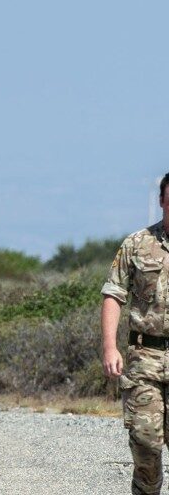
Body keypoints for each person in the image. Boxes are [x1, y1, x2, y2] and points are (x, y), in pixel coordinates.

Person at [102, 172, 169, 495]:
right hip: (145, 358)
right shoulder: (138, 244)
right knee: (145, 443)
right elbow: (114, 294)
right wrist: (109, 347)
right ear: (161, 201)